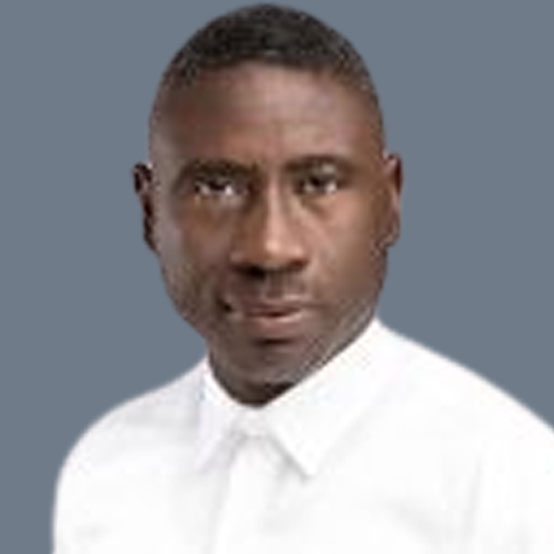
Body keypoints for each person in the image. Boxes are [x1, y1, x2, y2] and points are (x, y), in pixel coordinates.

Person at [52, 4, 554, 553]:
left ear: (390, 201)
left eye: (319, 183)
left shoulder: (512, 483)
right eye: (217, 188)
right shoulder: (103, 470)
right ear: (150, 212)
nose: (270, 249)